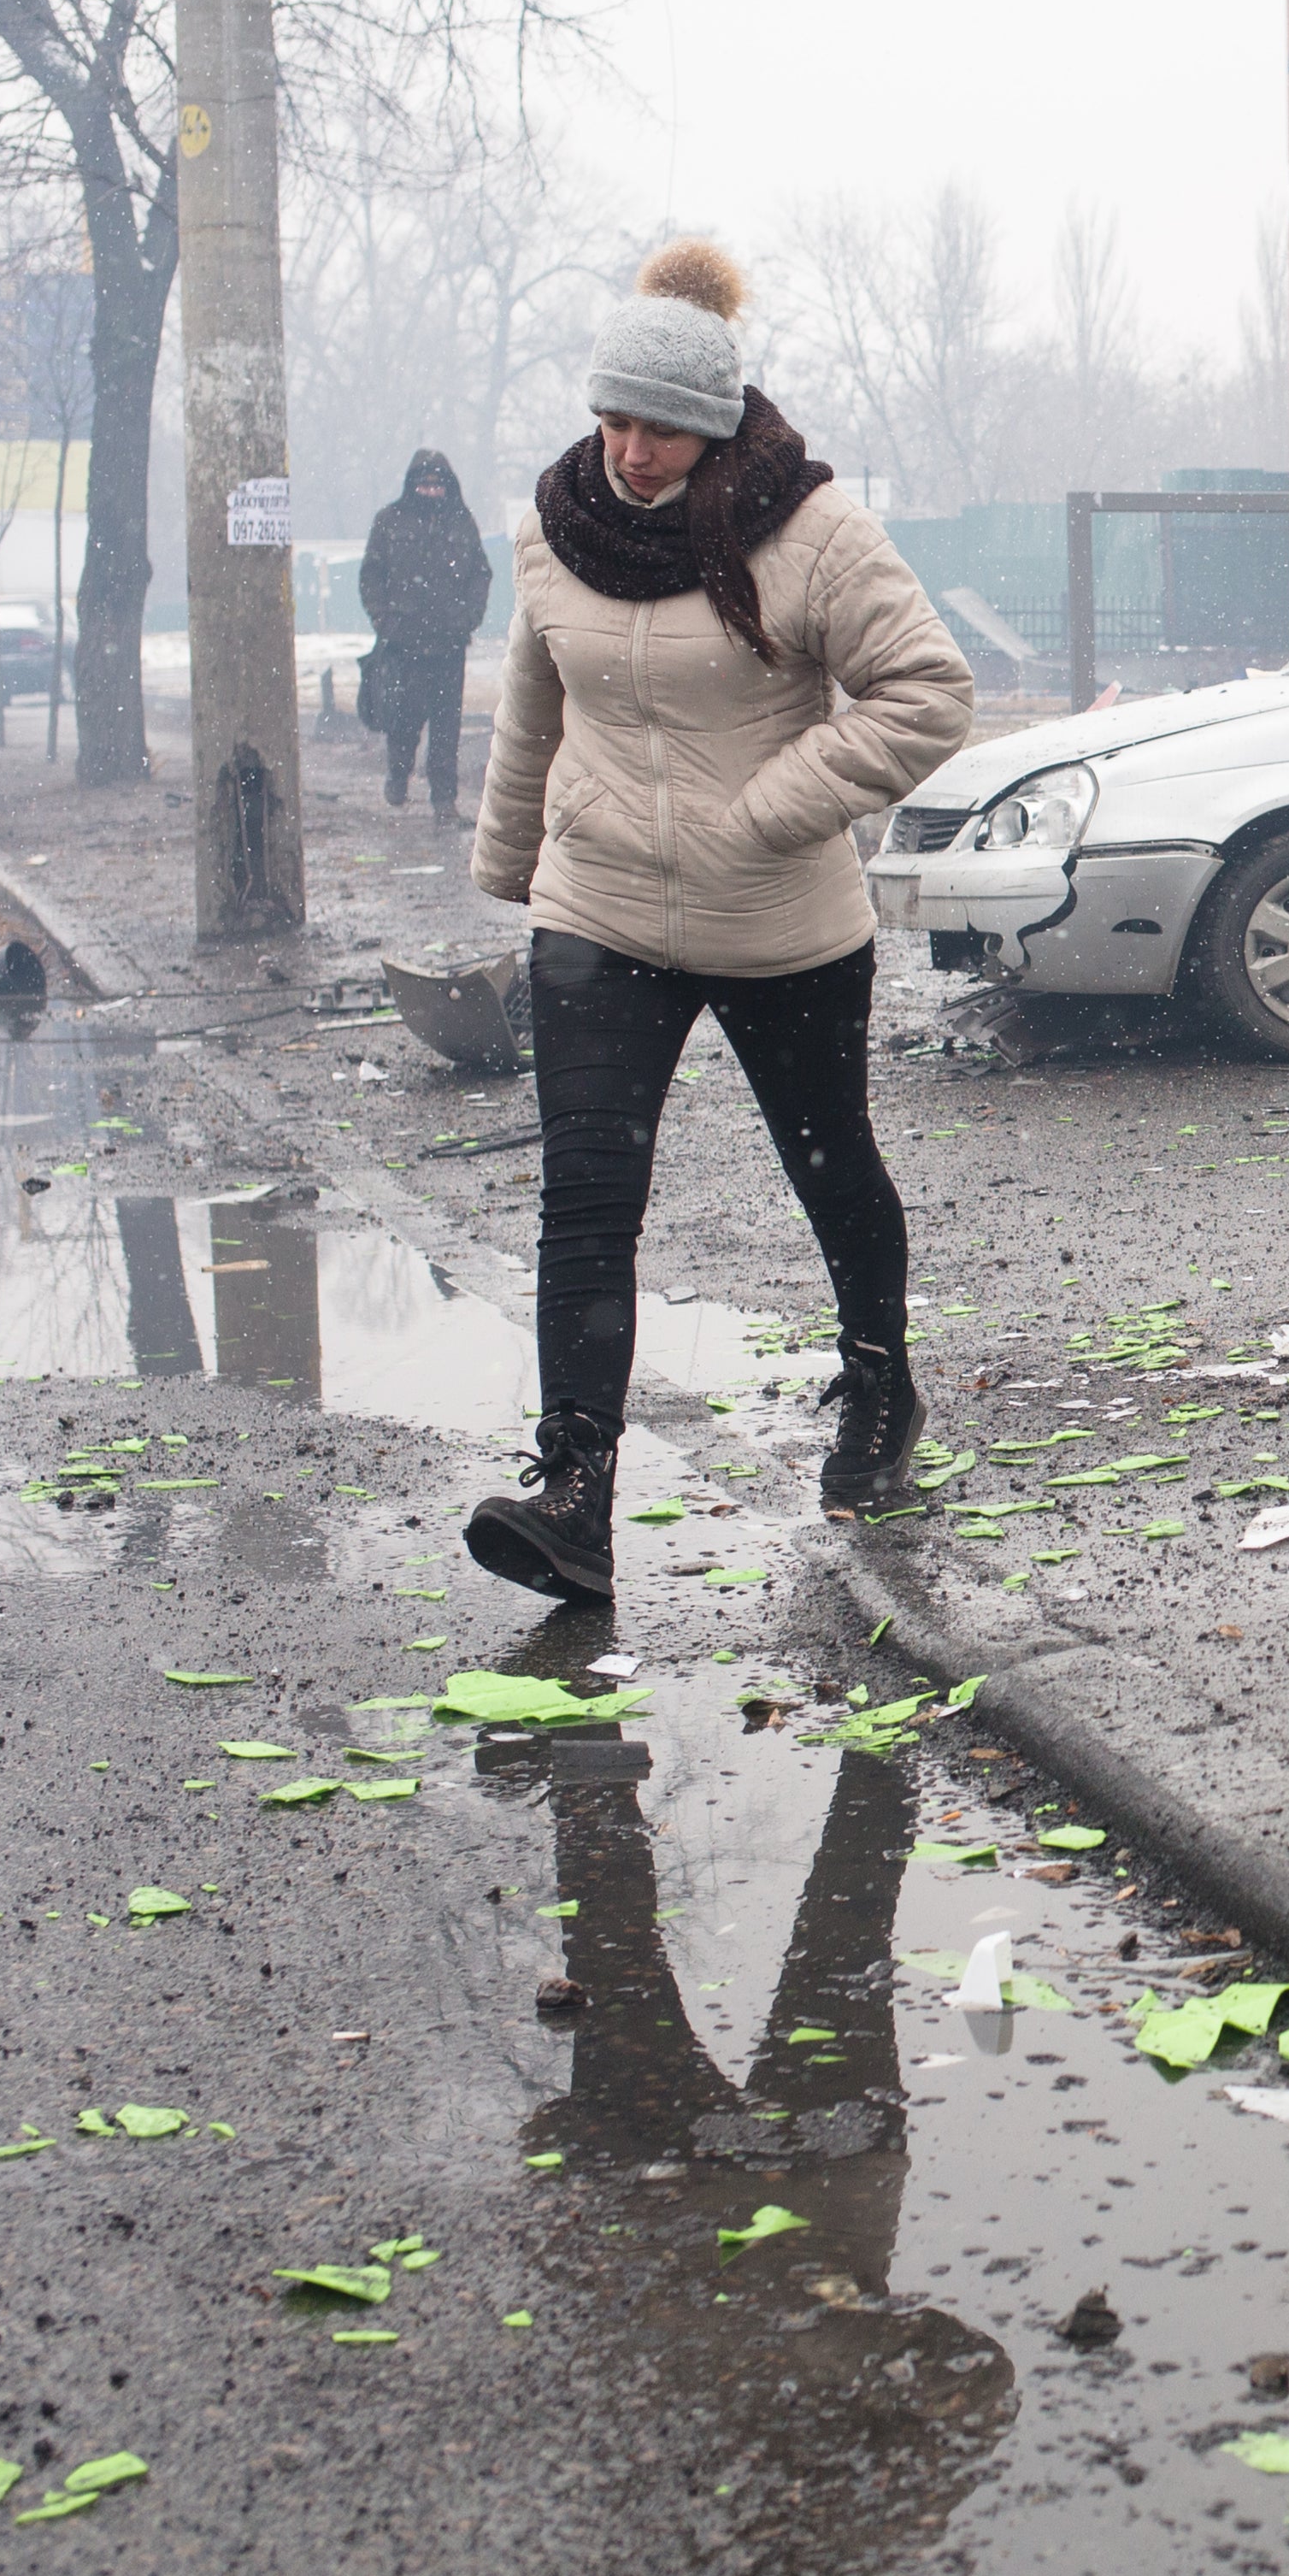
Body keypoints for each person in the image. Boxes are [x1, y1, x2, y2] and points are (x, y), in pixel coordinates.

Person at [462, 239, 976, 1598]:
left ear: (716, 421)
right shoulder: (553, 526)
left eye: (663, 428)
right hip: (601, 906)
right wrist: (513, 860)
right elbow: (538, 699)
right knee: (587, 1195)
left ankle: (879, 1381)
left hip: (779, 920)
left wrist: (762, 816)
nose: (633, 452)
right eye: (615, 420)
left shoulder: (808, 534)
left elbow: (928, 692)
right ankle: (573, 1489)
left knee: (831, 1165)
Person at [356, 448, 491, 817]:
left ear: (448, 487)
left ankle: (444, 800)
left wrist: (468, 617)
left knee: (447, 728)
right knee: (403, 721)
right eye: (424, 484)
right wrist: (385, 620)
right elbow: (371, 575)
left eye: (437, 485)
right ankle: (398, 776)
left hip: (449, 644)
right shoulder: (390, 521)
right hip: (404, 643)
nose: (431, 491)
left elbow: (481, 573)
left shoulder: (462, 522)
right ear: (412, 485)